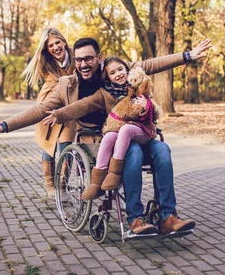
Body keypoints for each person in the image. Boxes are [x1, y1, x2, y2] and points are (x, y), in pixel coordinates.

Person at [0, 37, 212, 236]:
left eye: (88, 58)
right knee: (133, 153)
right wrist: (3, 126)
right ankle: (136, 219)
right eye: (78, 60)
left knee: (162, 150)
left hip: (135, 132)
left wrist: (188, 56)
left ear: (99, 58)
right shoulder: (67, 85)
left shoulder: (116, 70)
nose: (83, 64)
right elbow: (41, 110)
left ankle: (168, 215)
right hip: (96, 142)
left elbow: (151, 64)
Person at [42, 59, 160, 201]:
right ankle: (97, 183)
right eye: (112, 72)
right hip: (118, 134)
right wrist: (59, 114)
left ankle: (115, 174)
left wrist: (187, 56)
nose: (118, 74)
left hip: (140, 131)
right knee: (109, 136)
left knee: (132, 135)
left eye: (120, 69)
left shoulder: (138, 88)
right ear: (107, 77)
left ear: (127, 70)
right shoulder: (104, 93)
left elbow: (155, 108)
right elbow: (82, 105)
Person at [21, 28, 75, 198]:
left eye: (57, 42)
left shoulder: (76, 54)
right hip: (50, 102)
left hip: (70, 105)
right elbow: (58, 85)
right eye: (50, 45)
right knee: (49, 146)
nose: (55, 47)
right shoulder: (47, 63)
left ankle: (63, 187)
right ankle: (50, 186)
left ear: (64, 41)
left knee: (66, 146)